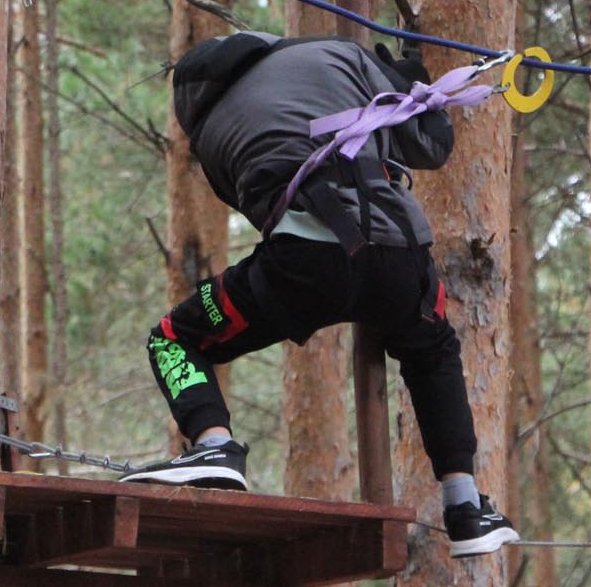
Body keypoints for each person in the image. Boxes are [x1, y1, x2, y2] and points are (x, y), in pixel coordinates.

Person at [120, 31, 519, 559]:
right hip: (399, 256)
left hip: (302, 265)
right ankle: (465, 506)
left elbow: (260, 203)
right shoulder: (335, 53)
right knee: (432, 350)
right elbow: (432, 144)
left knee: (174, 338)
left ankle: (213, 446)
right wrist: (412, 76)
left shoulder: (209, 138)